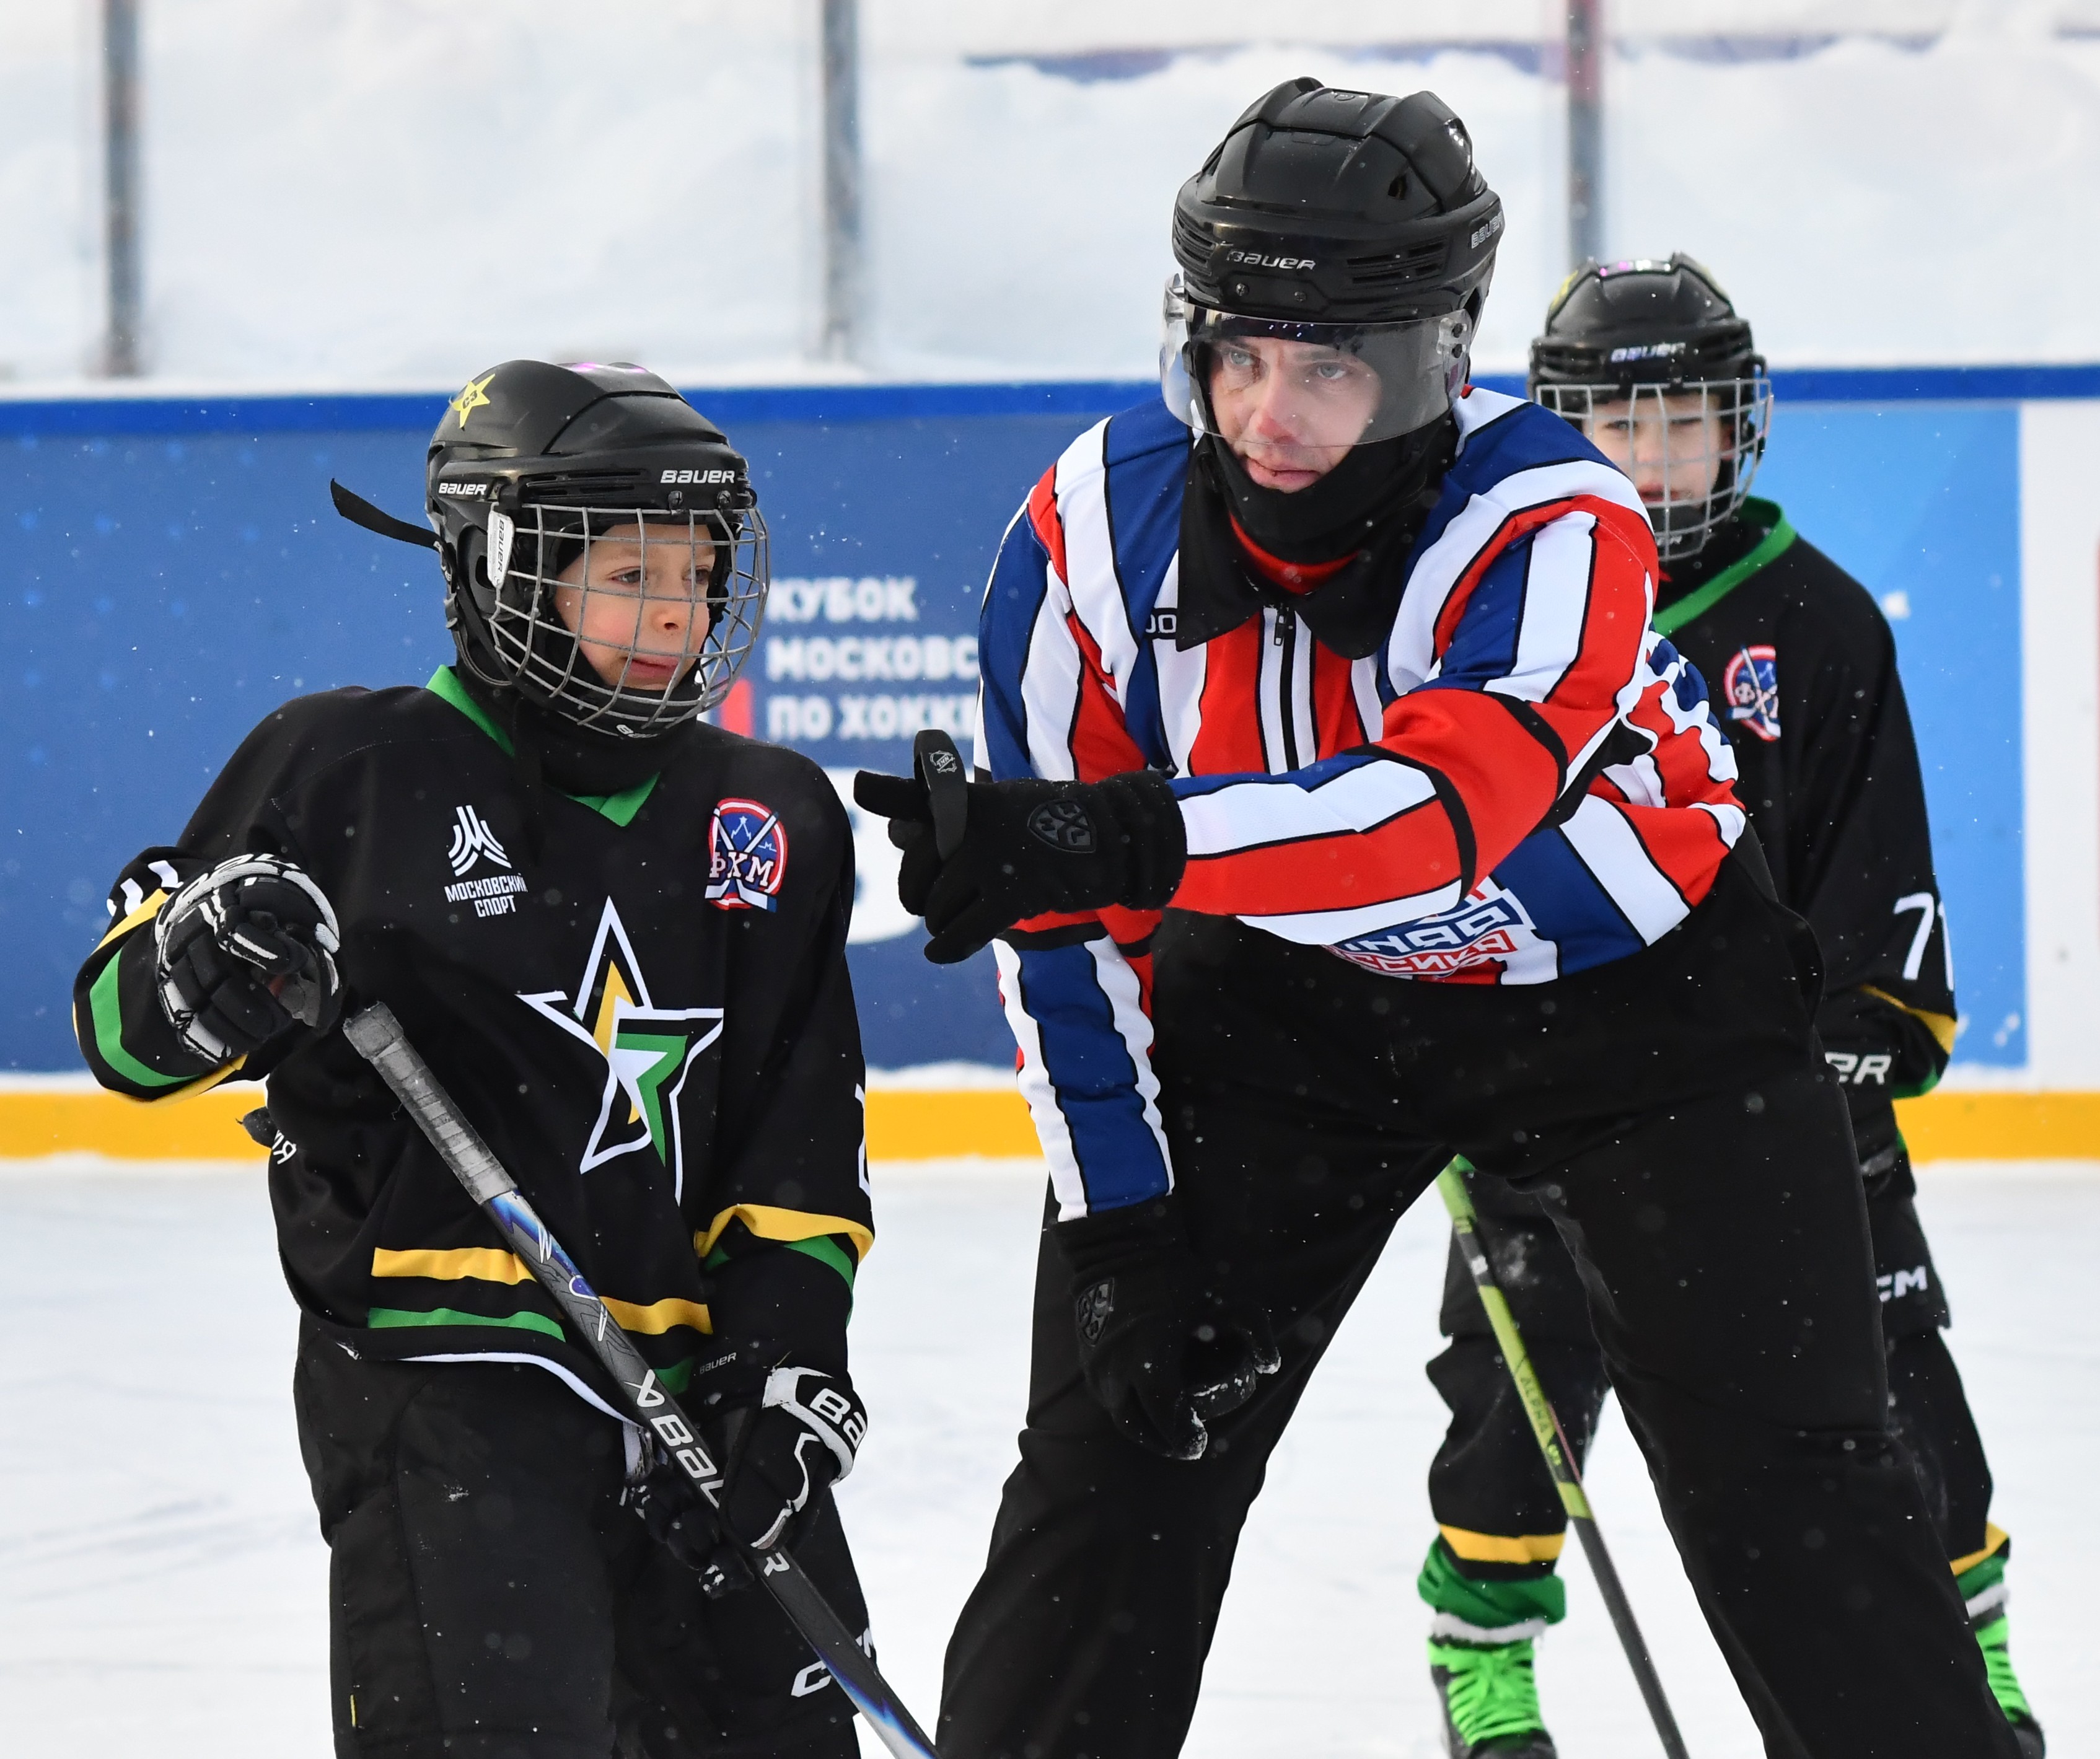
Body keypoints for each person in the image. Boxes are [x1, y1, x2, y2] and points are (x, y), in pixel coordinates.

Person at [854, 80, 2021, 1759]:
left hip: (1640, 1005)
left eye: (1331, 367)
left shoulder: (1554, 516)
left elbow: (1432, 825)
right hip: (1288, 1002)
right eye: (1236, 354)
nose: (1271, 414)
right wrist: (1119, 1234)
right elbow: (1061, 938)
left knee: (1798, 1495)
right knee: (1109, 1474)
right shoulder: (1082, 545)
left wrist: (1118, 836)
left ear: (1435, 360)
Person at [73, 361, 879, 1759]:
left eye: (697, 574)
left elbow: (798, 1153)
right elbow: (120, 1036)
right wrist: (209, 962)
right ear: (501, 571)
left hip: (700, 1402)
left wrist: (782, 1372)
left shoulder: (770, 813)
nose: (676, 615)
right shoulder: (349, 768)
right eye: (629, 575)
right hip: (444, 1391)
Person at [1412, 256, 2043, 1759]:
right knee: (1518, 1396)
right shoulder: (1491, 611)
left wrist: (1857, 1041)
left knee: (1894, 1385)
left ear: (1737, 427)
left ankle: (1968, 1650)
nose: (1649, 459)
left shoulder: (1820, 624)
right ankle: (1483, 1655)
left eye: (1681, 422)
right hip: (1555, 1096)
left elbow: (1879, 881)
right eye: (1614, 425)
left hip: (1784, 1096)